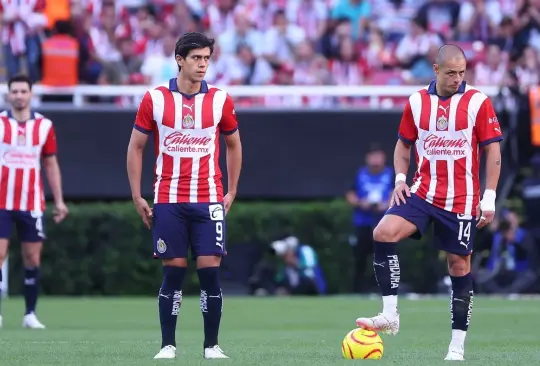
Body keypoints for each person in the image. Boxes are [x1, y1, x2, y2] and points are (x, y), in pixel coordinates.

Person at [355, 44, 503, 361]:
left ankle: (456, 346)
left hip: (461, 199)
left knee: (458, 266)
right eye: (451, 73)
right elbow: (402, 146)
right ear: (436, 70)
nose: (457, 79)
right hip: (423, 191)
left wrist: (488, 197)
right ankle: (390, 314)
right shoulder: (417, 102)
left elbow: (493, 152)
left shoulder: (477, 102)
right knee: (382, 233)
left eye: (462, 72)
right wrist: (399, 180)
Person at [126, 32, 242, 360]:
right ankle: (167, 345)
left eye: (207, 58)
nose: (203, 64)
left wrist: (231, 190)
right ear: (179, 59)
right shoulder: (155, 99)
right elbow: (136, 147)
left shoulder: (220, 100)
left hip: (208, 199)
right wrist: (137, 196)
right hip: (168, 199)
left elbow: (233, 144)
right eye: (196, 58)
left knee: (210, 272)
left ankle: (212, 345)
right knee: (173, 272)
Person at [0, 74, 69, 329]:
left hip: (32, 202)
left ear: (31, 94)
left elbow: (50, 163)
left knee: (32, 258)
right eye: (14, 91)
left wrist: (59, 200)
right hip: (1, 202)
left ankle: (30, 314)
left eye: (23, 91)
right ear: (9, 95)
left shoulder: (44, 126)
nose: (19, 95)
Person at [346, 143, 392, 293]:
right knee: (360, 257)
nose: (376, 159)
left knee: (383, 257)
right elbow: (350, 194)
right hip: (363, 222)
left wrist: (386, 204)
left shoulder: (390, 174)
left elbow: (396, 192)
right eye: (373, 156)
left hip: (384, 223)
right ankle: (358, 289)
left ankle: (381, 288)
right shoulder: (361, 174)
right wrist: (360, 203)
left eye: (378, 156)